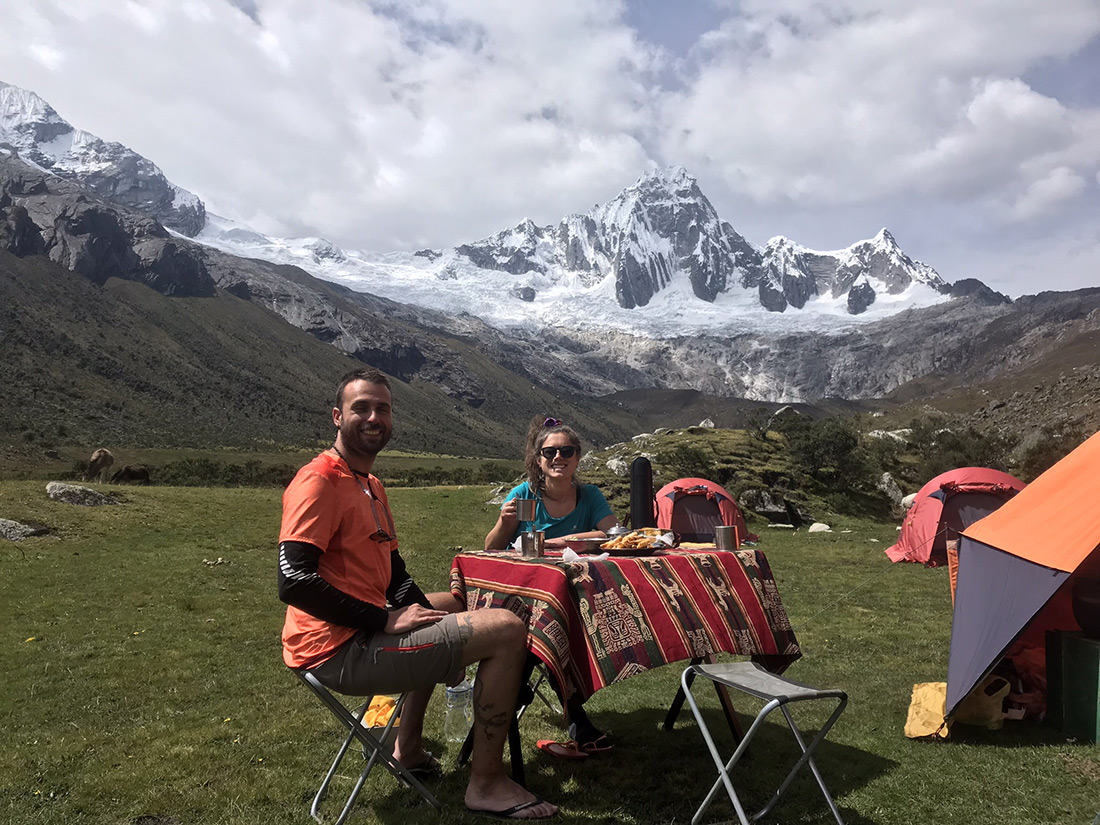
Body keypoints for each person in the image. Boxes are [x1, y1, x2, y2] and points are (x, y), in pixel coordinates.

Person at [278, 367, 557, 820]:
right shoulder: (320, 481)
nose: (374, 417)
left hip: (355, 634)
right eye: (361, 408)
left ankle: (407, 748)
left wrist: (433, 619)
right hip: (337, 649)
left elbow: (394, 573)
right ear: (336, 416)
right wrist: (384, 620)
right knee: (506, 628)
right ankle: (486, 785)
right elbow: (293, 580)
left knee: (450, 607)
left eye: (382, 409)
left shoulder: (369, 483)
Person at [485, 415, 619, 757]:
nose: (558, 458)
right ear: (538, 459)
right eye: (550, 452)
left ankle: (509, 694)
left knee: (550, 631)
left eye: (567, 451)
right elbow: (490, 549)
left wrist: (559, 539)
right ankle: (577, 722)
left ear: (577, 458)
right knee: (550, 630)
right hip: (526, 598)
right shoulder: (523, 495)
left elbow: (613, 535)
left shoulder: (589, 496)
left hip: (578, 600)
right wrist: (505, 522)